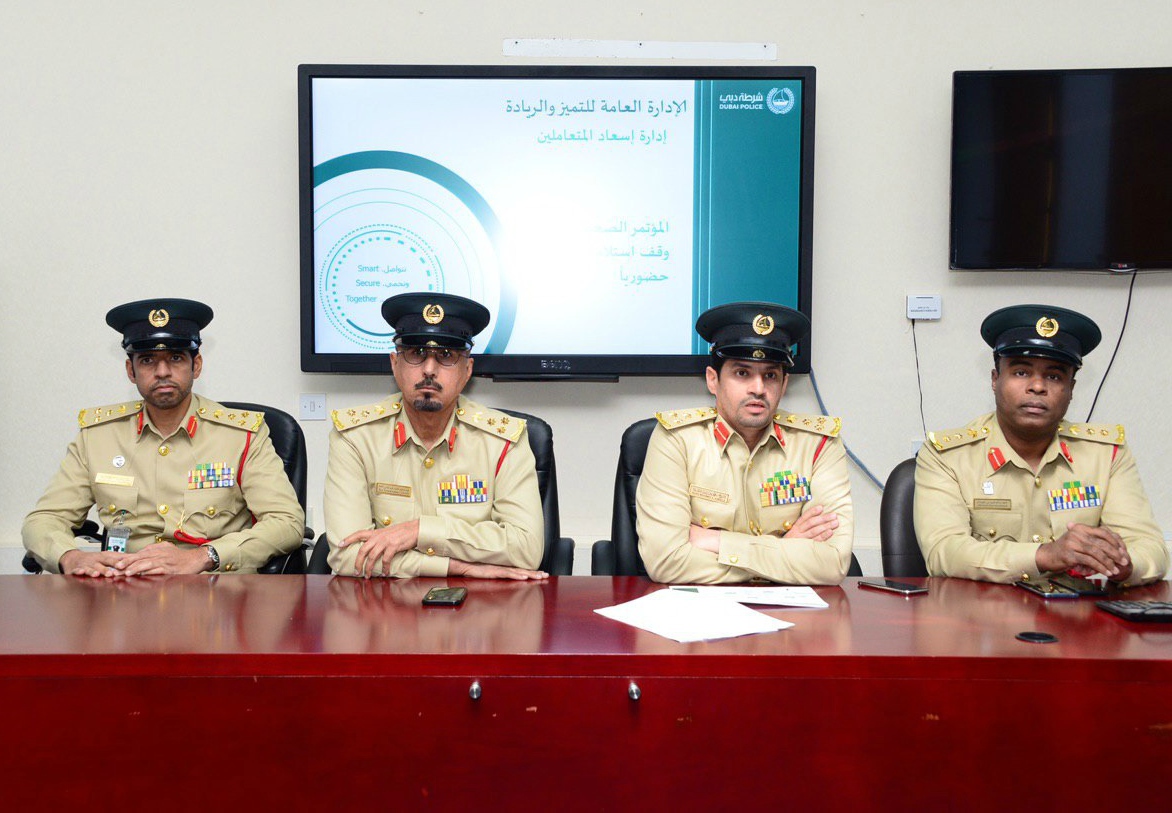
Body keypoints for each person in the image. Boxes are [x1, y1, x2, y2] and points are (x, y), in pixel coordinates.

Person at [22, 298, 305, 576]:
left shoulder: (241, 435)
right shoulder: (98, 437)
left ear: (196, 365)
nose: (162, 372)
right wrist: (70, 557)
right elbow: (45, 519)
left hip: (213, 591)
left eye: (176, 358)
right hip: (123, 589)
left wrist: (203, 557)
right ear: (131, 371)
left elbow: (286, 522)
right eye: (147, 360)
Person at [914, 304, 1168, 585]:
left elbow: (1150, 549)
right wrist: (1045, 555)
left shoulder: (1106, 454)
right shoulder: (947, 456)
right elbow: (944, 552)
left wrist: (1123, 564)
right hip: (981, 610)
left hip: (1078, 610)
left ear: (1071, 388)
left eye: (1054, 376)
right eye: (1021, 372)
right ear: (995, 380)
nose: (1037, 386)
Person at [324, 292, 547, 580]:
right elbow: (346, 555)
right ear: (394, 364)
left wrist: (419, 531)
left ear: (467, 371)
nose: (429, 370)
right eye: (416, 354)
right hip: (386, 605)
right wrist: (456, 567)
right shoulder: (355, 437)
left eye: (446, 356)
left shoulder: (502, 441)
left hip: (480, 605)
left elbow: (527, 549)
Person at [635, 302, 854, 584]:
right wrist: (784, 550)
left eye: (770, 375)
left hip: (793, 611)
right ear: (712, 380)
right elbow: (666, 562)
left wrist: (717, 541)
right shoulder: (677, 440)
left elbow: (832, 564)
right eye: (742, 373)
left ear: (784, 384)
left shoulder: (818, 444)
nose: (758, 389)